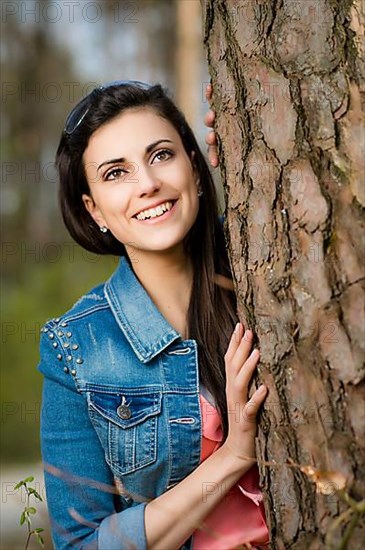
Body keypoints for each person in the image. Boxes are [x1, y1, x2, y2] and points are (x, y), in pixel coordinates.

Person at [38, 80, 269, 550]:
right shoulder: (76, 349)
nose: (147, 184)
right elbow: (82, 544)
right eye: (115, 173)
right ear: (94, 209)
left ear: (196, 169)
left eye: (161, 155)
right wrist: (233, 456)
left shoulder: (269, 256)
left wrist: (262, 153)